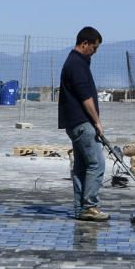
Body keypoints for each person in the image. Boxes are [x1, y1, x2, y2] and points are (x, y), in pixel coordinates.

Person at [59, 26, 108, 222]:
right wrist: (97, 122)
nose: (94, 52)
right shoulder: (77, 65)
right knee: (97, 163)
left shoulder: (75, 62)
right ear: (84, 43)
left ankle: (80, 208)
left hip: (73, 123)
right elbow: (85, 97)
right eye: (94, 48)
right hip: (82, 122)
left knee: (81, 167)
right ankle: (90, 206)